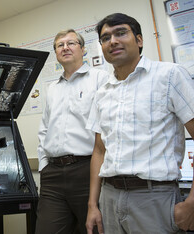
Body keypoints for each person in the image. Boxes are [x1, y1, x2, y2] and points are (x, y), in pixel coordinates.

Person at [85, 13, 194, 234]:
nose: (112, 41)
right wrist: (92, 205)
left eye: (121, 33)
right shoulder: (102, 92)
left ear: (139, 40)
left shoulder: (170, 75)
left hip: (154, 197)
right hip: (109, 197)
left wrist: (192, 202)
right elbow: (99, 150)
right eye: (105, 38)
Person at [35, 29, 109, 234]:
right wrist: (43, 165)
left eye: (71, 43)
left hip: (87, 171)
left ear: (83, 49)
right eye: (60, 45)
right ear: (56, 53)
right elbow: (44, 129)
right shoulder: (52, 89)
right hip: (53, 175)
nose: (65, 48)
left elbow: (105, 128)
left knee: (93, 229)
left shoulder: (100, 79)